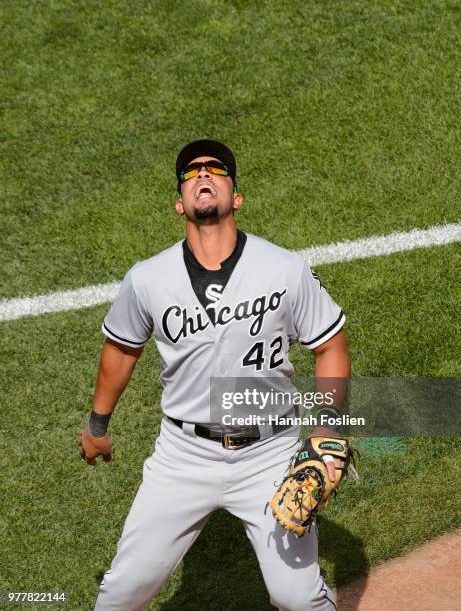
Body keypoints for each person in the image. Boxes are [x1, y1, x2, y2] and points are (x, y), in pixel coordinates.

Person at [79, 139, 350, 611]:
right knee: (120, 595)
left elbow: (330, 347)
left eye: (216, 169)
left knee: (297, 598)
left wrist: (325, 433)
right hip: (183, 459)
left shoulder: (283, 268)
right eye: (191, 172)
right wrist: (97, 425)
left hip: (271, 453)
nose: (203, 173)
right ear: (180, 203)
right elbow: (120, 350)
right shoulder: (147, 279)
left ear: (236, 197)